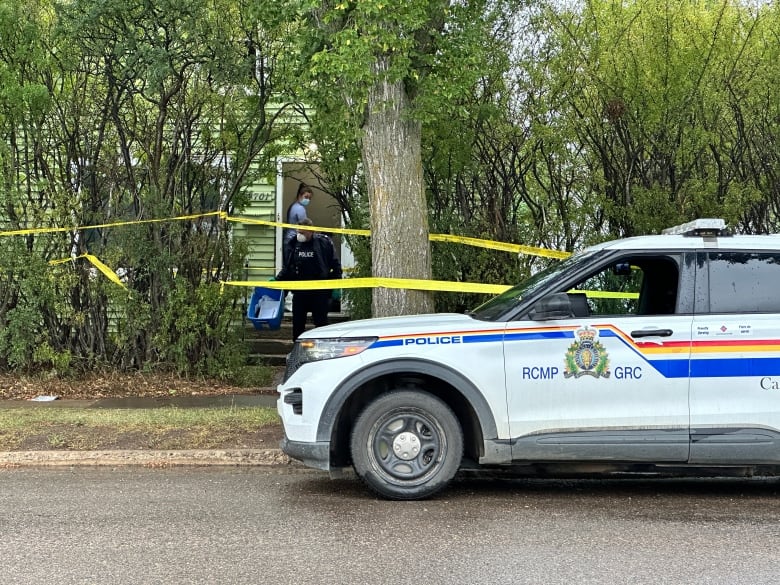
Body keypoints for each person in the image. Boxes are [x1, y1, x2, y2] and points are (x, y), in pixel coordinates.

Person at [276, 218, 342, 341]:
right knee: (298, 325)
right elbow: (288, 267)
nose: (300, 235)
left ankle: (322, 351)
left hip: (320, 292)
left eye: (303, 232)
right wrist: (277, 281)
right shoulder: (293, 244)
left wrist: (336, 285)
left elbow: (335, 265)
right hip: (300, 292)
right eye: (298, 232)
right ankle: (297, 350)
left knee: (321, 324)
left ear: (311, 231)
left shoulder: (324, 243)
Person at [283, 183, 313, 250]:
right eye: (306, 197)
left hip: (288, 239)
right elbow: (305, 227)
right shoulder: (300, 209)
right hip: (294, 241)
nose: (308, 200)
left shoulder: (293, 205)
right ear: (300, 195)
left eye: (309, 198)